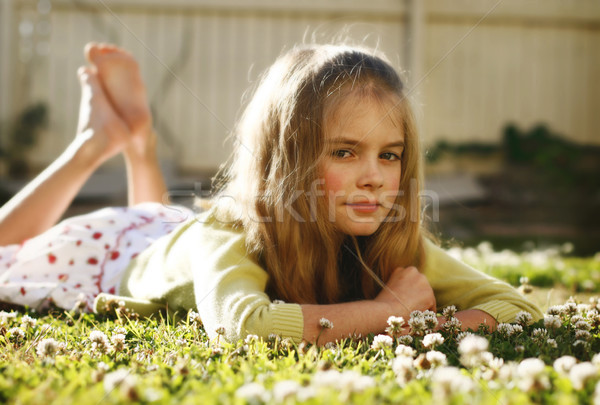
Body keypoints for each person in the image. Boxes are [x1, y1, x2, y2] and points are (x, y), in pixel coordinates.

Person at [0, 42, 542, 344]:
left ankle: (139, 144)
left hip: (173, 235)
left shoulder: (390, 239)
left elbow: (513, 306)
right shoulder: (229, 230)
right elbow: (241, 328)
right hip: (114, 254)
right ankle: (96, 144)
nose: (375, 177)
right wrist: (388, 313)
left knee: (158, 215)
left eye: (390, 154)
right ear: (287, 162)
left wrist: (426, 326)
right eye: (345, 152)